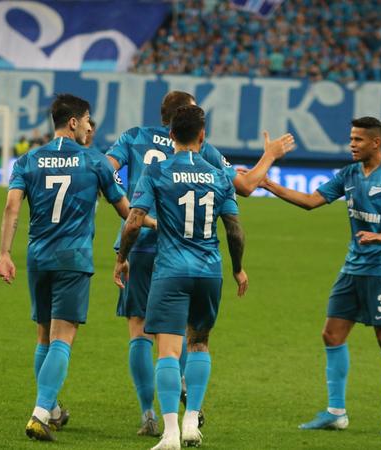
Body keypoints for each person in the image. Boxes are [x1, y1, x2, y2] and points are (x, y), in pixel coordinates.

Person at [104, 90, 294, 435]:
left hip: (140, 244)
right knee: (188, 333)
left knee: (140, 330)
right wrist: (269, 155)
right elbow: (246, 186)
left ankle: (148, 414)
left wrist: (122, 199)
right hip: (189, 249)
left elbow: (105, 170)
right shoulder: (202, 150)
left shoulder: (133, 137)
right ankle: (187, 393)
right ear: (189, 120)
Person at [0, 94, 143, 442]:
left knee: (43, 336)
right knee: (63, 337)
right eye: (88, 120)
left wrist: (4, 253)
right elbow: (127, 212)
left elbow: (12, 207)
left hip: (38, 258)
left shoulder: (28, 160)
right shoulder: (95, 161)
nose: (90, 127)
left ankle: (52, 408)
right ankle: (40, 414)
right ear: (73, 122)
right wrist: (155, 223)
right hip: (73, 259)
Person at [260, 116, 381, 435]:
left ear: (376, 142)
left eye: (358, 139)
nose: (352, 144)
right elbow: (311, 201)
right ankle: (336, 412)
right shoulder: (349, 174)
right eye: (351, 139)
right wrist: (269, 185)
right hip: (352, 267)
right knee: (331, 334)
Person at [113, 105, 247, 450]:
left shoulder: (157, 171)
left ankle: (170, 432)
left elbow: (134, 221)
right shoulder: (219, 175)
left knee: (169, 352)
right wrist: (237, 268)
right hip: (209, 271)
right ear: (202, 136)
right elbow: (234, 230)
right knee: (199, 343)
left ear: (171, 134)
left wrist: (122, 258)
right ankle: (192, 422)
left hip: (171, 271)